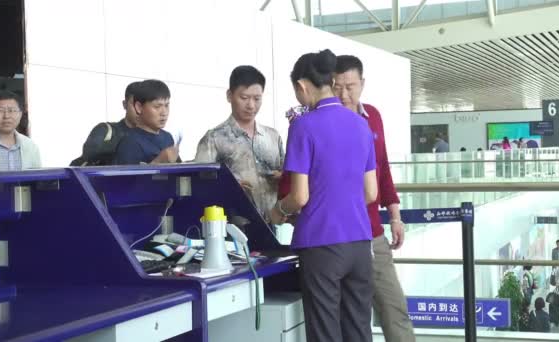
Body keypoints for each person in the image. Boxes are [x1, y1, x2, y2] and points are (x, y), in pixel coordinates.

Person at [269, 49, 377, 342]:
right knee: (358, 329)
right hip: (360, 243)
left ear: (302, 86)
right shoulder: (361, 124)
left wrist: (277, 210)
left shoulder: (304, 126)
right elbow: (371, 192)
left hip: (321, 244)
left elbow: (299, 197)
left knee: (325, 332)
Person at [332, 54, 415, 341]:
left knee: (395, 308)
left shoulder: (373, 117)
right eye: (337, 86)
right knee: (354, 318)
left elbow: (383, 169)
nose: (344, 94)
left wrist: (395, 215)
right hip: (341, 235)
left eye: (350, 86)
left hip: (373, 232)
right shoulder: (324, 123)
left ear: (362, 84)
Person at [195, 66, 284, 217]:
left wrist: (283, 176)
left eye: (257, 99)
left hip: (274, 222)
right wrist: (229, 186)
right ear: (229, 96)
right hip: (234, 225)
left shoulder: (273, 136)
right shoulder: (214, 138)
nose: (251, 105)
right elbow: (199, 184)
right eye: (244, 98)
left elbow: (288, 174)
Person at [72, 81, 140, 166]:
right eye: (135, 105)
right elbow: (89, 152)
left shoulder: (157, 137)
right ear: (124, 104)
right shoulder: (106, 129)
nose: (139, 110)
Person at [114, 80, 180, 165]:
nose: (164, 112)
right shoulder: (130, 143)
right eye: (157, 106)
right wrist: (158, 162)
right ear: (139, 107)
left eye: (166, 105)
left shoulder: (167, 137)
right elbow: (126, 177)